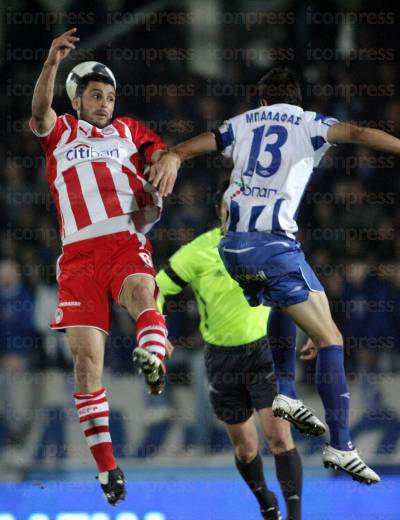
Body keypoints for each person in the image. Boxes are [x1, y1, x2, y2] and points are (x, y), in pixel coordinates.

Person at [148, 66, 400, 484]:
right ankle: (341, 444)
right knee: (330, 338)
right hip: (273, 244)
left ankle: (284, 389)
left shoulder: (243, 122)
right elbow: (357, 134)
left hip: (232, 247)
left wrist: (173, 153)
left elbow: (203, 144)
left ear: (262, 100)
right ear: (294, 99)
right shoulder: (308, 122)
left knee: (300, 301)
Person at [30, 29, 179, 505]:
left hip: (122, 238)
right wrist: (51, 62)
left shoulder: (129, 130)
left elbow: (159, 153)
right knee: (86, 364)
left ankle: (153, 358)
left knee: (141, 293)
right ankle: (108, 470)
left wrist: (168, 160)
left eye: (110, 96)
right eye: (96, 95)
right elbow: (38, 114)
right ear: (76, 99)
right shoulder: (61, 133)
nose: (105, 103)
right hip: (77, 257)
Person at [156, 185, 302, 520]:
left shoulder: (267, 243)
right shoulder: (199, 251)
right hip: (222, 359)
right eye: (231, 209)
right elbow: (157, 287)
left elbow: (298, 287)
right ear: (222, 212)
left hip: (264, 352)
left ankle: (295, 514)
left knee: (279, 437)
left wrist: (315, 331)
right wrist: (155, 330)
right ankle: (265, 499)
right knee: (246, 447)